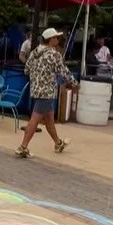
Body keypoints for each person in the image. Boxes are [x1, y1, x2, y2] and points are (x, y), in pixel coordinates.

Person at [16, 28, 75, 158]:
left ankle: (58, 143)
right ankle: (23, 146)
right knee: (35, 119)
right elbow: (63, 71)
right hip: (47, 92)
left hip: (36, 89)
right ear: (51, 39)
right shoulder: (54, 54)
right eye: (56, 37)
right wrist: (74, 83)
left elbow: (26, 70)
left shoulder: (35, 52)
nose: (58, 40)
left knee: (49, 119)